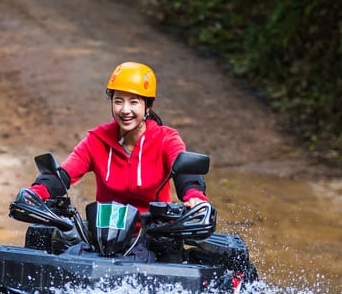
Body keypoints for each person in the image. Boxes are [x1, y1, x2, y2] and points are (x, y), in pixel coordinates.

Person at [27, 61, 208, 211]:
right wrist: (36, 192)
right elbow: (64, 174)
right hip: (104, 238)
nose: (125, 110)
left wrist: (195, 197)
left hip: (156, 236)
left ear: (148, 106)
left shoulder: (166, 139)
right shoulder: (96, 139)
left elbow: (186, 173)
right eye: (118, 101)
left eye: (134, 102)